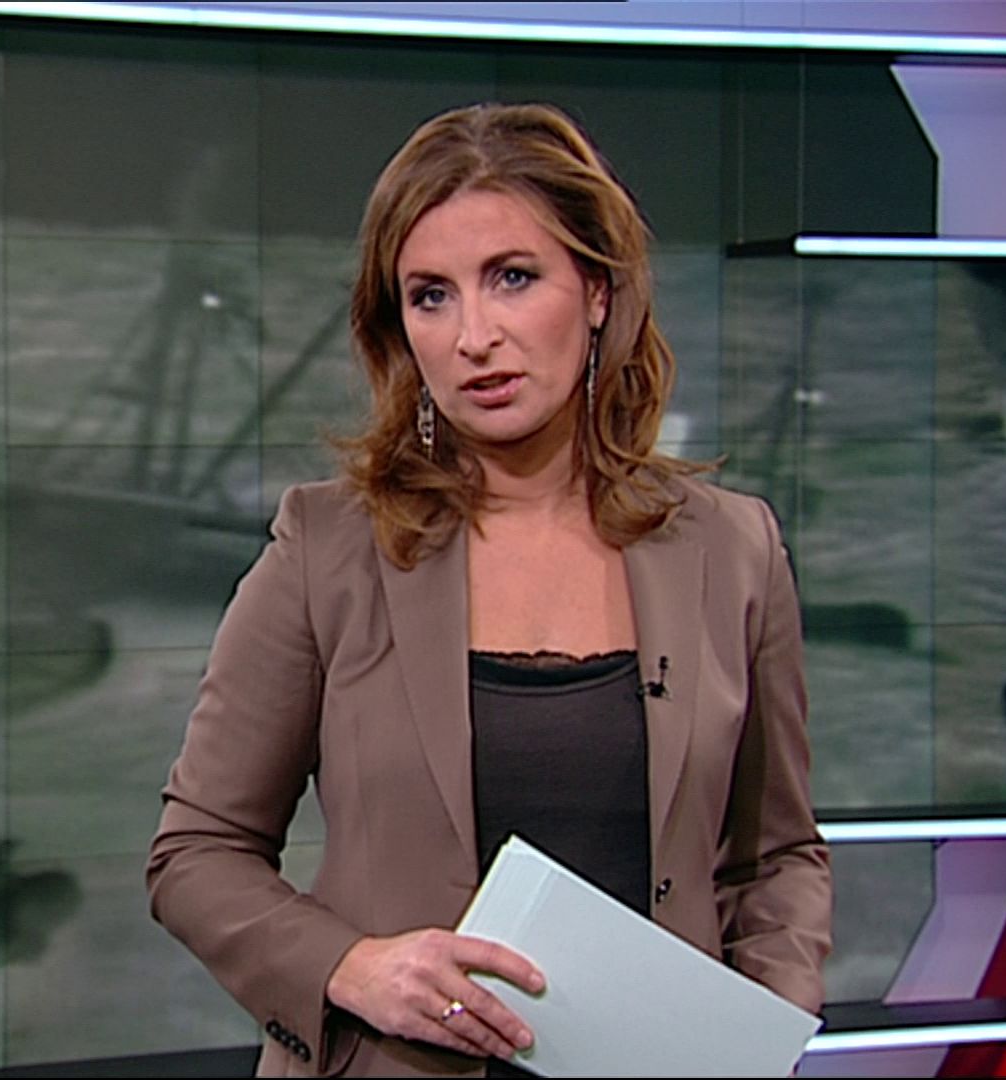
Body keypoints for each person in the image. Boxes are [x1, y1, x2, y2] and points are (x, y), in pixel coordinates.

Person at [147, 101, 831, 1078]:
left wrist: (759, 1036)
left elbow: (776, 859)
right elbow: (197, 851)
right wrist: (350, 967)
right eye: (431, 295)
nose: (475, 336)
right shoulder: (327, 551)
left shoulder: (732, 550)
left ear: (597, 291)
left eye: (513, 278)